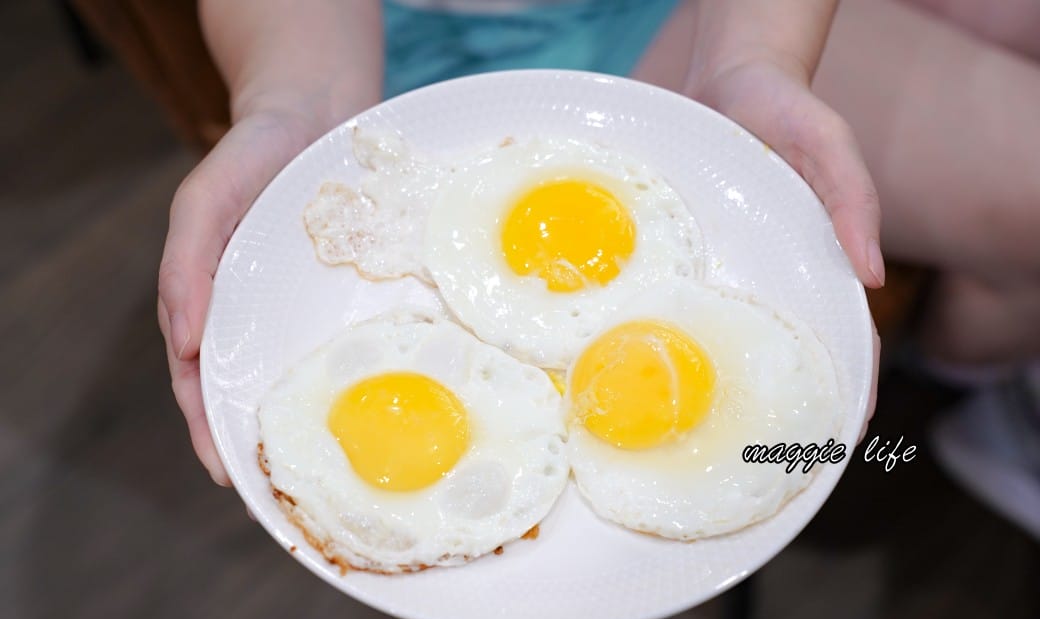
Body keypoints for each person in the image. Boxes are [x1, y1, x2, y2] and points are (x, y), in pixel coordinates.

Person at [158, 0, 1040, 525]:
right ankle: (983, 400)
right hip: (452, 52)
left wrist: (757, 54)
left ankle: (965, 369)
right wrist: (295, 109)